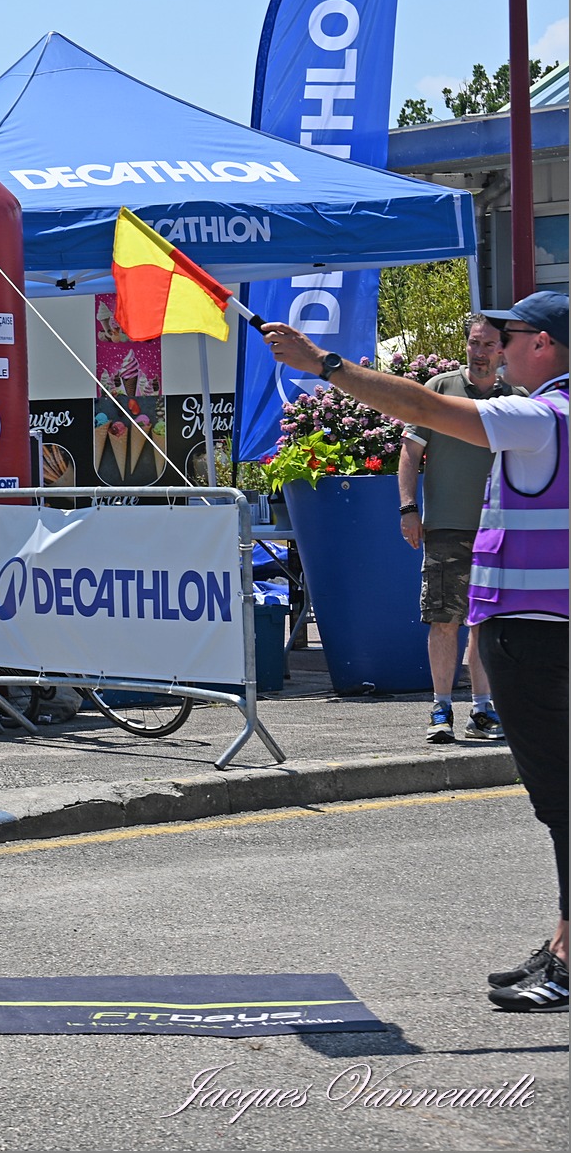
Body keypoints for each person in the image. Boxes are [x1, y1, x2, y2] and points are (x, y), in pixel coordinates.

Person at [265, 290, 568, 1013]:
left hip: (535, 637)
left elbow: (427, 413)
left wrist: (325, 365)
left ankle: (570, 960)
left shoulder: (543, 418)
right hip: (545, 631)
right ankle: (564, 943)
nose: (496, 345)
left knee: (563, 804)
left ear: (547, 345)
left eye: (510, 334)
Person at [398, 315, 519, 744]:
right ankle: (440, 708)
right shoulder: (440, 389)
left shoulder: (516, 398)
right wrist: (409, 508)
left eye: (488, 344)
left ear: (502, 350)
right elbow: (410, 453)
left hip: (500, 531)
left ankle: (482, 710)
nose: (479, 351)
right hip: (447, 527)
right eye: (473, 342)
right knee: (444, 620)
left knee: (485, 622)